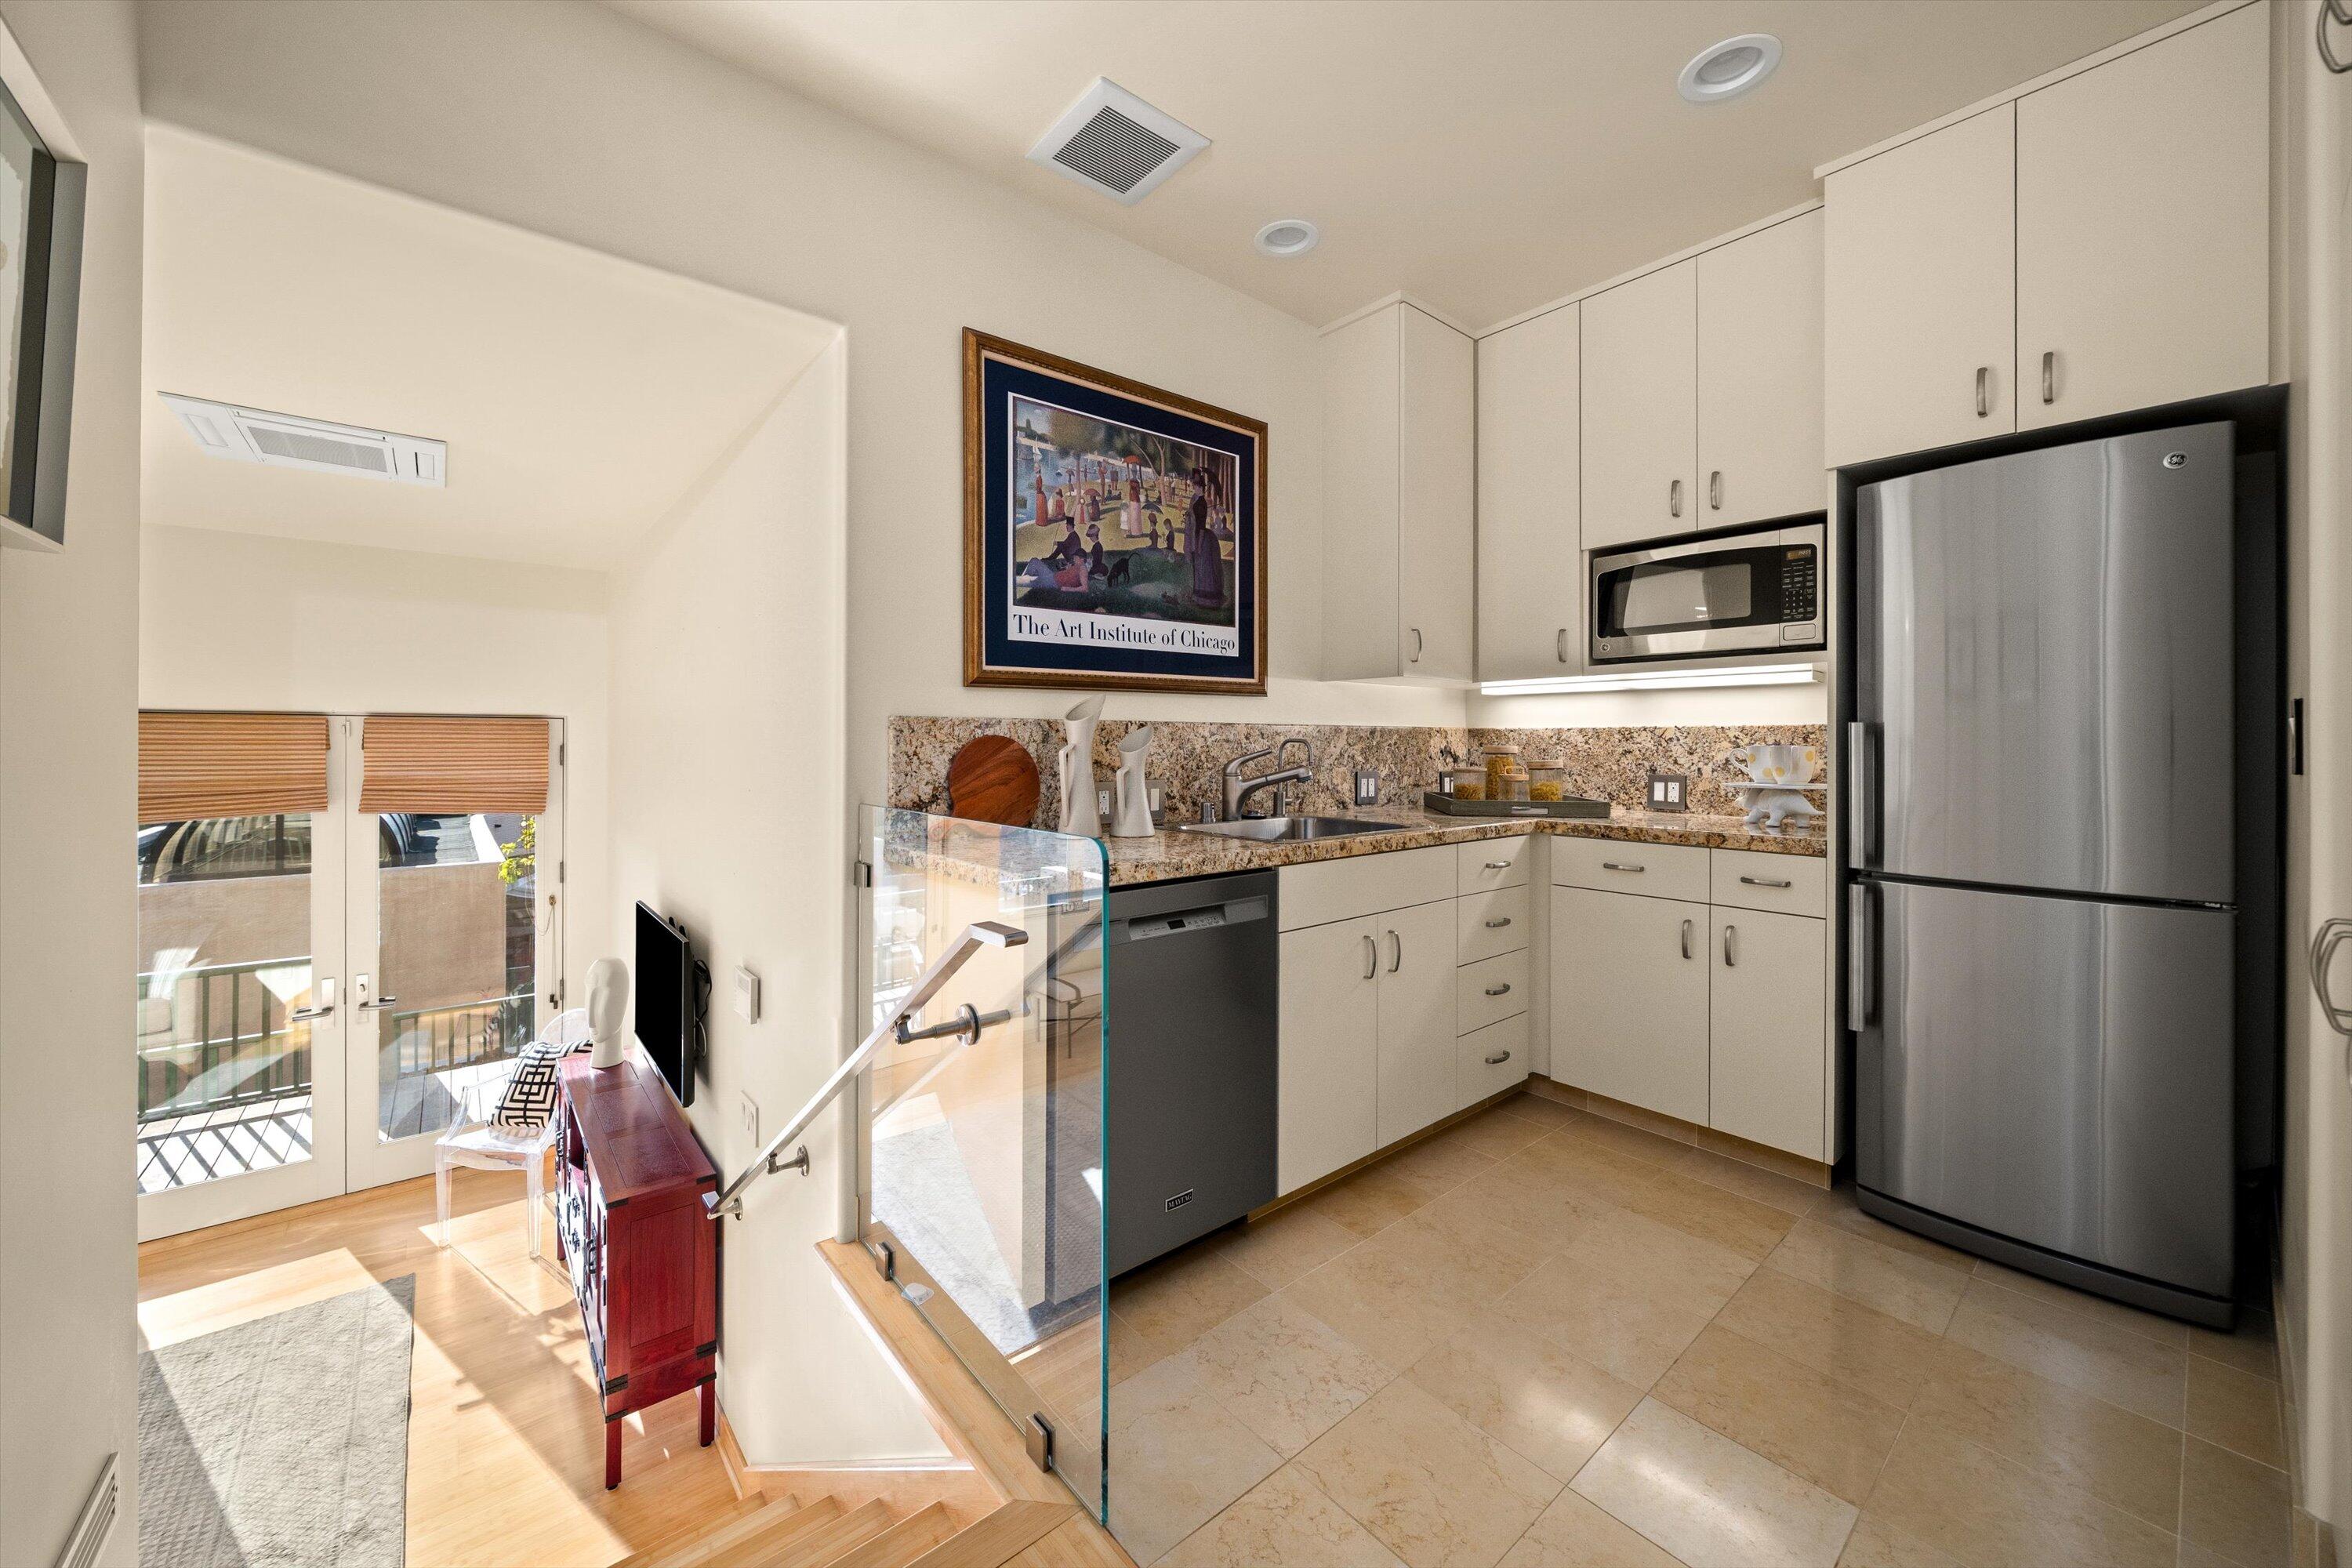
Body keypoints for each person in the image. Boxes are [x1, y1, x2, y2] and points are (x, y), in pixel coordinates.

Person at [1186, 466, 1227, 609]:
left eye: (1195, 486)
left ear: (1199, 487)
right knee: (1199, 567)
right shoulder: (1196, 500)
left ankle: (1206, 600)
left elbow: (1202, 526)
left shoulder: (1201, 503)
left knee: (1204, 568)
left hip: (1202, 538)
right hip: (1198, 535)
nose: (1193, 487)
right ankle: (1198, 597)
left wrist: (1198, 545)